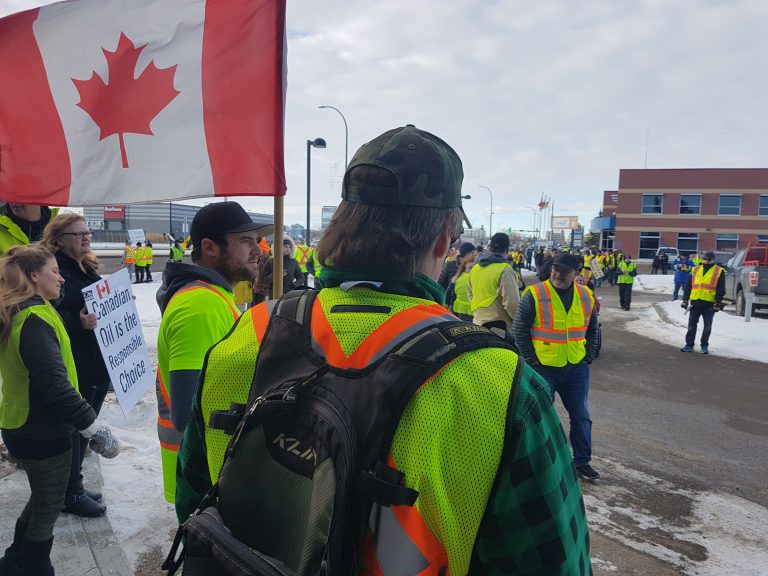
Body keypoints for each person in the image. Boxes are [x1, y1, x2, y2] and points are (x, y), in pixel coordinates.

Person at [174, 125, 591, 574]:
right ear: (443, 240)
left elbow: (195, 501)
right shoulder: (499, 384)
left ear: (342, 225)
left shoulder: (247, 336)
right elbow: (550, 561)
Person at [0, 245, 120, 576]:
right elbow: (56, 387)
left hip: (23, 424)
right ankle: (35, 567)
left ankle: (13, 561)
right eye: (54, 271)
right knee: (49, 504)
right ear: (33, 275)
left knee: (42, 497)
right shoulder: (34, 318)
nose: (61, 277)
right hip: (40, 430)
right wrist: (96, 430)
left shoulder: (31, 309)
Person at [154, 201, 265, 503]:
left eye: (257, 241)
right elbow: (190, 414)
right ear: (209, 247)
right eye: (245, 241)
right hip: (205, 479)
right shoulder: (200, 306)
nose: (258, 251)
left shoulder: (212, 297)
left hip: (206, 475)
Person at [41, 213, 112, 517]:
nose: (86, 238)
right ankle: (68, 493)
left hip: (95, 363)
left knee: (85, 429)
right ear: (58, 239)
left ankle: (74, 485)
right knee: (74, 430)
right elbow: (44, 315)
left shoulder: (87, 265)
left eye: (87, 233)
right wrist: (77, 323)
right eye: (77, 234)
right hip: (76, 365)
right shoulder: (55, 270)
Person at [513, 252, 601, 481]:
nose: (558, 274)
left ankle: (582, 462)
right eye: (555, 269)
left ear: (576, 274)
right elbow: (520, 327)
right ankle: (539, 464)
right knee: (540, 418)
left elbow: (593, 329)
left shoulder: (586, 295)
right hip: (543, 366)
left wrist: (588, 357)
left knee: (581, 416)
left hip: (575, 368)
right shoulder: (535, 293)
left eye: (564, 271)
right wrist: (531, 360)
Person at [467, 232, 520, 339]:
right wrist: (520, 323)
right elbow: (512, 304)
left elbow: (470, 295)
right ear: (507, 250)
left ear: (490, 248)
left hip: (477, 324)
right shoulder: (505, 270)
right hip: (499, 330)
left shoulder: (476, 268)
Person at [681, 251, 725, 354]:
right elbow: (688, 286)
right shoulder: (695, 269)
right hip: (695, 302)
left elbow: (721, 289)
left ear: (713, 259)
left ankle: (704, 345)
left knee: (707, 327)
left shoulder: (719, 271)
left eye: (709, 259)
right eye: (704, 259)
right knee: (691, 325)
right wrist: (685, 300)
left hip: (709, 304)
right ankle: (689, 345)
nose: (706, 261)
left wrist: (717, 303)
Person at [439, 241, 476, 308]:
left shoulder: (475, 266)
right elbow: (440, 284)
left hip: (471, 307)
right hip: (452, 307)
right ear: (467, 254)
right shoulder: (450, 265)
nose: (475, 255)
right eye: (472, 252)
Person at [449, 244, 476, 320]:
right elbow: (451, 293)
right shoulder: (456, 272)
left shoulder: (458, 275)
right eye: (470, 267)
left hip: (461, 310)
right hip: (463, 311)